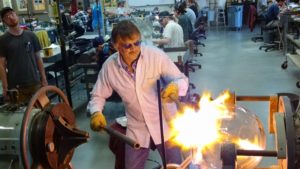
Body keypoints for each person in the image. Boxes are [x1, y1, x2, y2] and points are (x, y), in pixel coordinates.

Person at [87, 20, 189, 169]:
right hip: (137, 127)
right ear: (116, 46)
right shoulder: (110, 67)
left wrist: (175, 86)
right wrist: (96, 112)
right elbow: (97, 95)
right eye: (127, 45)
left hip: (165, 124)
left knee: (176, 166)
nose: (134, 48)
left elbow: (180, 78)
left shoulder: (155, 56)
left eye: (137, 43)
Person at [0, 7, 48, 103]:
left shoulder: (31, 35)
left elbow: (38, 59)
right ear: (4, 22)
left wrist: (43, 78)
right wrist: (5, 88)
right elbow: (1, 65)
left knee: (42, 113)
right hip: (15, 86)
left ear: (16, 15)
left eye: (11, 13)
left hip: (34, 82)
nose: (10, 17)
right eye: (6, 16)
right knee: (21, 116)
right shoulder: (3, 40)